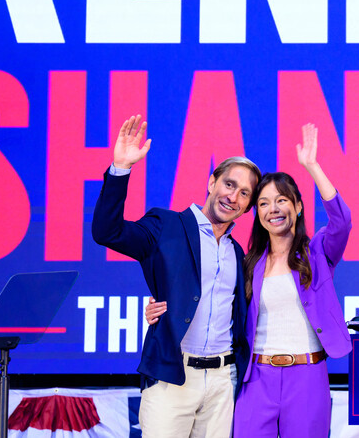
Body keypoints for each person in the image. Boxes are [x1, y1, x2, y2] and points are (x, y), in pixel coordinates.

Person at [146, 123, 352, 437]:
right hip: (256, 378)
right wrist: (162, 308)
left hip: (308, 375)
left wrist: (312, 166)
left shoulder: (317, 254)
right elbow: (213, 302)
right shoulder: (248, 262)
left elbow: (342, 221)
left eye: (282, 200)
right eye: (264, 203)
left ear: (297, 206)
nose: (273, 209)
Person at [92, 115, 260, 438]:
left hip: (223, 383)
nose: (233, 197)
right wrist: (120, 170)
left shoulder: (238, 254)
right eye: (229, 184)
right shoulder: (165, 226)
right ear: (212, 182)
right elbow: (106, 232)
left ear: (247, 206)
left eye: (244, 194)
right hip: (173, 375)